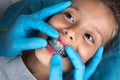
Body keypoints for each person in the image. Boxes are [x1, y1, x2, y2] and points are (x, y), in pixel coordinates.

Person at [0, 0, 120, 80]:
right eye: (69, 16)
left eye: (89, 37)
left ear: (93, 60)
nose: (71, 31)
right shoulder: (4, 41)